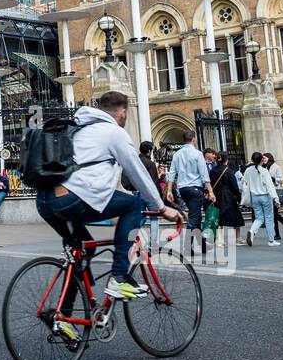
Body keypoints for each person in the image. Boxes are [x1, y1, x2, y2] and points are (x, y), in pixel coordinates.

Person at [34, 91, 179, 314]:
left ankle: (62, 316)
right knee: (133, 205)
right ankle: (119, 277)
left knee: (81, 251)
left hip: (46, 200)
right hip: (74, 197)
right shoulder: (113, 132)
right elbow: (137, 172)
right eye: (126, 114)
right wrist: (160, 207)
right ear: (122, 112)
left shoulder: (79, 127)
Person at [167, 129, 214, 251]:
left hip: (183, 189)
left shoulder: (177, 154)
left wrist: (169, 191)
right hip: (195, 189)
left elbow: (172, 173)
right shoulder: (197, 154)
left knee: (195, 215)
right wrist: (211, 191)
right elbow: (204, 175)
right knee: (194, 217)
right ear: (193, 139)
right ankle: (188, 245)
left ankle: (201, 244)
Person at [242, 152, 280, 246]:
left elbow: (245, 181)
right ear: (261, 160)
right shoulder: (264, 171)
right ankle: (271, 240)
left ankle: (252, 231)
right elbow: (270, 186)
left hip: (254, 197)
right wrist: (276, 198)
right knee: (269, 218)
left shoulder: (248, 170)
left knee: (259, 217)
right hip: (265, 196)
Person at [211, 151, 245, 246]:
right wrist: (239, 197)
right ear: (226, 160)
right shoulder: (228, 171)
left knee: (219, 218)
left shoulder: (212, 171)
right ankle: (238, 238)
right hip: (228, 196)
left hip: (217, 196)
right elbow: (234, 186)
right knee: (236, 217)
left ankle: (220, 240)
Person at [262, 153, 283, 240]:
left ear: (269, 158)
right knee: (274, 214)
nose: (263, 160)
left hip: (276, 192)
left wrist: (273, 179)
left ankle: (278, 233)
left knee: (274, 214)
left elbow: (281, 179)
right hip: (268, 193)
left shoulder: (276, 167)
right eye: (263, 159)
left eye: (264, 158)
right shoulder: (265, 167)